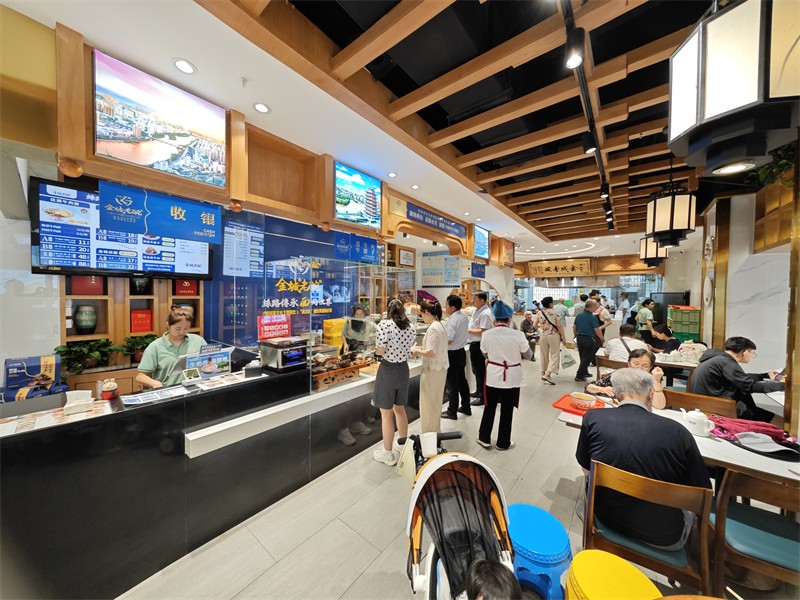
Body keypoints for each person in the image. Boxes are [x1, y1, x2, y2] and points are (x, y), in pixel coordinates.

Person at [576, 368, 711, 550]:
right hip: (666, 536)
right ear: (650, 395)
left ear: (615, 394)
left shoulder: (593, 418)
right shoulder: (678, 432)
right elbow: (700, 492)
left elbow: (586, 469)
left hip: (604, 518)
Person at [688, 336, 785, 423]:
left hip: (707, 405)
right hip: (721, 408)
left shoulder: (717, 359)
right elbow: (750, 386)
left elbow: (739, 377)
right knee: (780, 421)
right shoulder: (726, 362)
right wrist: (784, 386)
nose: (753, 356)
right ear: (745, 352)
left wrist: (765, 375)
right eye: (753, 353)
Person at [477, 301, 531, 451]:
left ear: (494, 319)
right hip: (512, 375)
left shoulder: (486, 334)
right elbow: (528, 354)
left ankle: (484, 438)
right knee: (507, 409)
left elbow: (484, 353)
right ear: (509, 319)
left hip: (493, 374)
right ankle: (503, 442)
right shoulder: (518, 335)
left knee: (489, 407)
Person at [371, 298, 416, 466]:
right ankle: (403, 444)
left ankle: (387, 454)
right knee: (400, 409)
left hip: (388, 370)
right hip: (403, 369)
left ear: (388, 310)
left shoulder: (384, 325)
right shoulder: (410, 326)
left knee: (386, 414)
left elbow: (380, 350)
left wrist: (376, 353)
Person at [136, 305, 207, 388]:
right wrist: (155, 384)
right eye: (178, 329)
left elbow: (209, 363)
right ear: (168, 326)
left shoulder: (198, 341)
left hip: (195, 389)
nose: (182, 332)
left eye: (186, 328)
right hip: (168, 390)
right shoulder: (155, 347)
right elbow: (140, 376)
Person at [585, 348, 666, 409]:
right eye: (635, 364)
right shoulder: (619, 376)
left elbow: (660, 406)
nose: (639, 368)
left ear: (650, 367)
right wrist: (602, 389)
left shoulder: (651, 380)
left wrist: (656, 381)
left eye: (645, 366)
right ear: (629, 364)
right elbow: (588, 387)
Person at [412, 300, 449, 433]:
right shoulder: (440, 325)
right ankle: (435, 434)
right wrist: (420, 348)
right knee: (434, 404)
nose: (421, 316)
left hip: (432, 371)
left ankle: (430, 436)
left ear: (427, 312)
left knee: (428, 405)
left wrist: (416, 351)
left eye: (421, 313)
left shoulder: (433, 328)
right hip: (439, 369)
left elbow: (431, 352)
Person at [443, 295, 471, 420]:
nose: (445, 307)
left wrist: (437, 345)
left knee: (452, 384)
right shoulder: (463, 316)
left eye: (446, 304)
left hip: (452, 354)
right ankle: (466, 406)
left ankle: (452, 411)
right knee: (462, 381)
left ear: (453, 307)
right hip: (460, 352)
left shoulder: (453, 320)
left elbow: (449, 340)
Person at [468, 292, 495, 406]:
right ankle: (478, 391)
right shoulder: (476, 310)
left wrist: (468, 330)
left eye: (475, 298)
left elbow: (484, 330)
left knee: (480, 371)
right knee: (475, 370)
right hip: (474, 344)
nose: (472, 300)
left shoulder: (486, 313)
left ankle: (482, 396)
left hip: (480, 344)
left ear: (482, 300)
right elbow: (466, 311)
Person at [537, 296, 567, 385]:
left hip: (543, 335)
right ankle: (547, 374)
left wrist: (543, 328)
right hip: (553, 335)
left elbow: (535, 325)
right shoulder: (555, 312)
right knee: (554, 355)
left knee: (543, 355)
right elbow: (559, 326)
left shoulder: (540, 313)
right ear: (550, 303)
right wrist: (564, 337)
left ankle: (543, 373)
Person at [573, 299, 604, 382]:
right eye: (595, 306)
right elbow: (597, 330)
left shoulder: (579, 316)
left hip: (579, 338)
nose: (596, 308)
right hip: (589, 339)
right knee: (587, 357)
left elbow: (574, 327)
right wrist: (601, 338)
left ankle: (585, 372)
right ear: (591, 307)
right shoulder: (592, 317)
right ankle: (579, 375)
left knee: (582, 356)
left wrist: (575, 335)